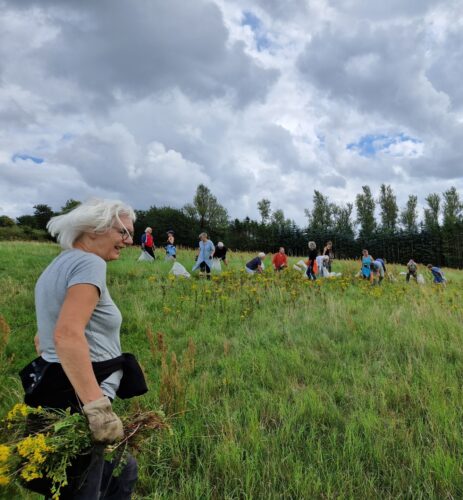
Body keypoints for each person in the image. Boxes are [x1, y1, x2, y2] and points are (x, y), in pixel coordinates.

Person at [19, 199, 147, 499]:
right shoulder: (89, 263)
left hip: (61, 389)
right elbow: (66, 334)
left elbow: (43, 339)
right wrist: (96, 408)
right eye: (123, 232)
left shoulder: (57, 265)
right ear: (94, 229)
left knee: (122, 471)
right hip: (79, 400)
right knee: (83, 487)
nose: (129, 241)